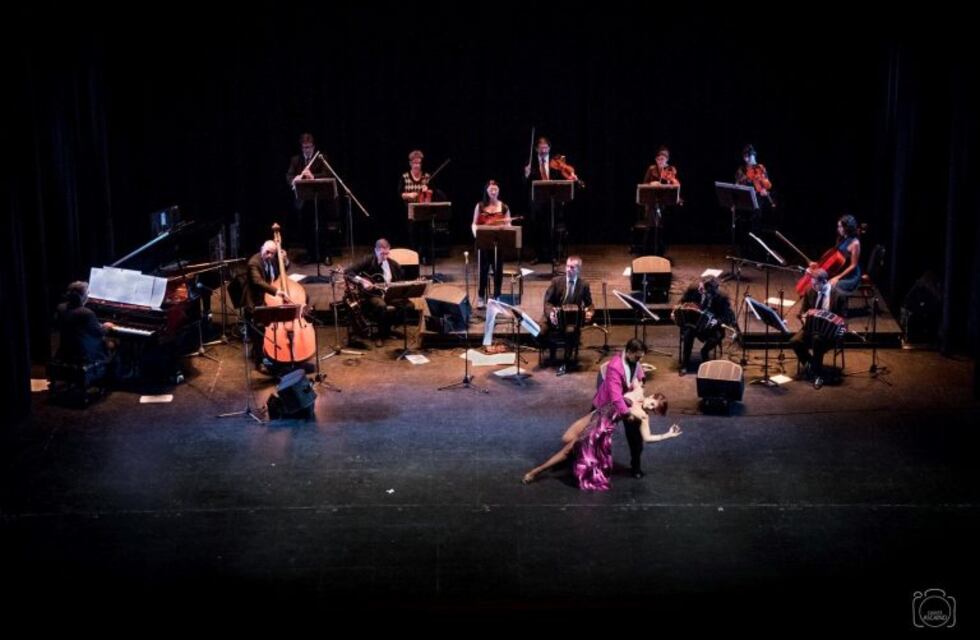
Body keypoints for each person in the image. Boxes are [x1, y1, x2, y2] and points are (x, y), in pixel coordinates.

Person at [521, 339, 682, 489]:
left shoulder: (642, 411)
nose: (650, 408)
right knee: (568, 439)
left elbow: (647, 436)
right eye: (652, 404)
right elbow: (616, 397)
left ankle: (536, 472)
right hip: (601, 410)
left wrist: (666, 433)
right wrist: (629, 409)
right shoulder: (617, 368)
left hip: (604, 425)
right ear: (630, 352)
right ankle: (574, 457)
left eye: (653, 409)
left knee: (572, 448)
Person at [790, 268, 845, 389]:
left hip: (829, 334)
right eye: (812, 283)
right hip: (810, 328)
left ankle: (816, 373)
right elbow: (803, 312)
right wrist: (803, 318)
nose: (813, 286)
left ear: (824, 282)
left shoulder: (839, 296)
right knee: (795, 341)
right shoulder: (810, 291)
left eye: (815, 284)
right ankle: (812, 366)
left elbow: (843, 320)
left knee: (817, 340)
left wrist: (838, 329)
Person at [538, 256, 595, 373]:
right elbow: (547, 301)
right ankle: (550, 351)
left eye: (572, 267)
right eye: (567, 266)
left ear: (578, 269)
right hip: (555, 314)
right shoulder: (556, 281)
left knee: (570, 332)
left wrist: (590, 312)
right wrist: (551, 314)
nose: (568, 269)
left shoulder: (584, 285)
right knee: (540, 332)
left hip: (571, 320)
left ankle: (566, 362)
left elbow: (590, 304)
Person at [345, 238, 405, 347]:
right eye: (382, 254)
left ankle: (388, 329)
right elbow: (348, 272)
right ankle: (380, 335)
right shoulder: (368, 260)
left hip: (389, 293)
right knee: (381, 306)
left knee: (408, 305)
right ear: (376, 250)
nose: (385, 257)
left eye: (387, 253)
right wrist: (362, 281)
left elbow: (402, 280)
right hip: (372, 294)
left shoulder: (394, 264)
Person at [244, 240, 292, 369]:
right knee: (259, 329)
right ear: (262, 249)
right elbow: (257, 281)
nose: (270, 255)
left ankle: (275, 350)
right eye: (268, 252)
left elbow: (282, 270)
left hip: (269, 297)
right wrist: (277, 292)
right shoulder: (253, 262)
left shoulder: (272, 260)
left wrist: (285, 260)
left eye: (273, 253)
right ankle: (259, 361)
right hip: (256, 300)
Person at [522, 136, 570, 265]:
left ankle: (553, 256)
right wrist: (526, 176)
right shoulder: (530, 162)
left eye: (546, 147)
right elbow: (525, 184)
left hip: (552, 200)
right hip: (536, 201)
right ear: (536, 149)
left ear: (549, 148)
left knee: (552, 227)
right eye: (541, 147)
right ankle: (538, 255)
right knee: (536, 228)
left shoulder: (555, 162)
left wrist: (570, 175)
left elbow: (563, 176)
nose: (543, 150)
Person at [286, 132, 332, 263]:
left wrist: (313, 177)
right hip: (304, 200)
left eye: (309, 147)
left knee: (322, 228)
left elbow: (327, 174)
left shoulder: (321, 158)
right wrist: (296, 179)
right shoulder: (296, 160)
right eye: (304, 147)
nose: (307, 150)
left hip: (319, 200)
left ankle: (326, 255)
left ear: (313, 146)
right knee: (306, 228)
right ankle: (311, 254)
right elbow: (288, 176)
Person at [675, 276, 735, 375]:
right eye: (702, 289)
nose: (703, 292)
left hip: (712, 327)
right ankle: (685, 363)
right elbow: (681, 302)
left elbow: (728, 317)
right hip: (694, 324)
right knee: (688, 333)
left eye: (707, 292)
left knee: (717, 336)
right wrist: (681, 308)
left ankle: (705, 352)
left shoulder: (722, 297)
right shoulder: (693, 289)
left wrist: (717, 321)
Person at [471, 179, 513, 308]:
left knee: (498, 271)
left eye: (495, 189)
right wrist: (476, 234)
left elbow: (509, 224)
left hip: (498, 244)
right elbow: (474, 223)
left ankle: (497, 296)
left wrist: (506, 228)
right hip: (484, 244)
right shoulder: (480, 206)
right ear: (487, 191)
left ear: (499, 191)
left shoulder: (504, 207)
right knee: (483, 270)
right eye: (491, 189)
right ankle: (481, 296)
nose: (493, 191)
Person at [54, 281, 115, 365]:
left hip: (65, 351)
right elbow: (99, 333)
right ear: (83, 296)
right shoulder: (87, 313)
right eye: (87, 293)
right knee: (111, 344)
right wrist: (106, 326)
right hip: (84, 354)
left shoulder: (61, 307)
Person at [640, 145, 681, 256]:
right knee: (651, 226)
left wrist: (670, 179)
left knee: (662, 227)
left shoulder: (670, 170)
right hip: (652, 202)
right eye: (658, 159)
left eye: (663, 159)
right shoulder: (651, 169)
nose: (660, 161)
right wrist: (651, 183)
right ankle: (647, 252)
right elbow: (643, 185)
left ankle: (660, 252)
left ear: (667, 160)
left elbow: (677, 185)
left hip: (664, 203)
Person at [399, 150, 436, 264]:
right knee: (413, 236)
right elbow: (400, 193)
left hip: (424, 210)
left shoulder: (426, 176)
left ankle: (426, 258)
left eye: (419, 163)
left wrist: (427, 190)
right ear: (410, 163)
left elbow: (433, 192)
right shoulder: (404, 177)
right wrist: (409, 194)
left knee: (426, 234)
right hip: (411, 211)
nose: (417, 165)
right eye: (414, 163)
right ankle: (414, 259)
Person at [827, 214, 862, 295]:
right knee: (819, 279)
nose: (838, 229)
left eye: (840, 227)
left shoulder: (855, 243)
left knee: (832, 286)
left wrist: (838, 277)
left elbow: (853, 265)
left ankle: (833, 307)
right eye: (838, 226)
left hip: (851, 276)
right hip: (841, 271)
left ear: (847, 228)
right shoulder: (842, 238)